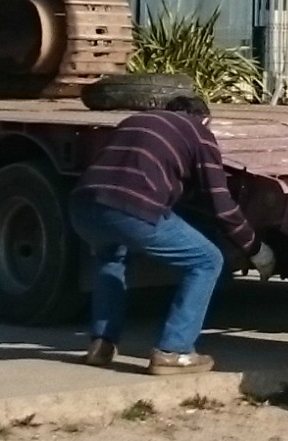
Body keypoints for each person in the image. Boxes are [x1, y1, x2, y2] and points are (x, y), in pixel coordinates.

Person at [68, 96, 264, 375]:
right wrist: (253, 247)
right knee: (207, 260)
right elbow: (221, 204)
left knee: (112, 257)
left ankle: (101, 344)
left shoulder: (133, 121)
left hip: (83, 206)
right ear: (206, 119)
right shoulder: (200, 132)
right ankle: (174, 352)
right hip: (132, 209)